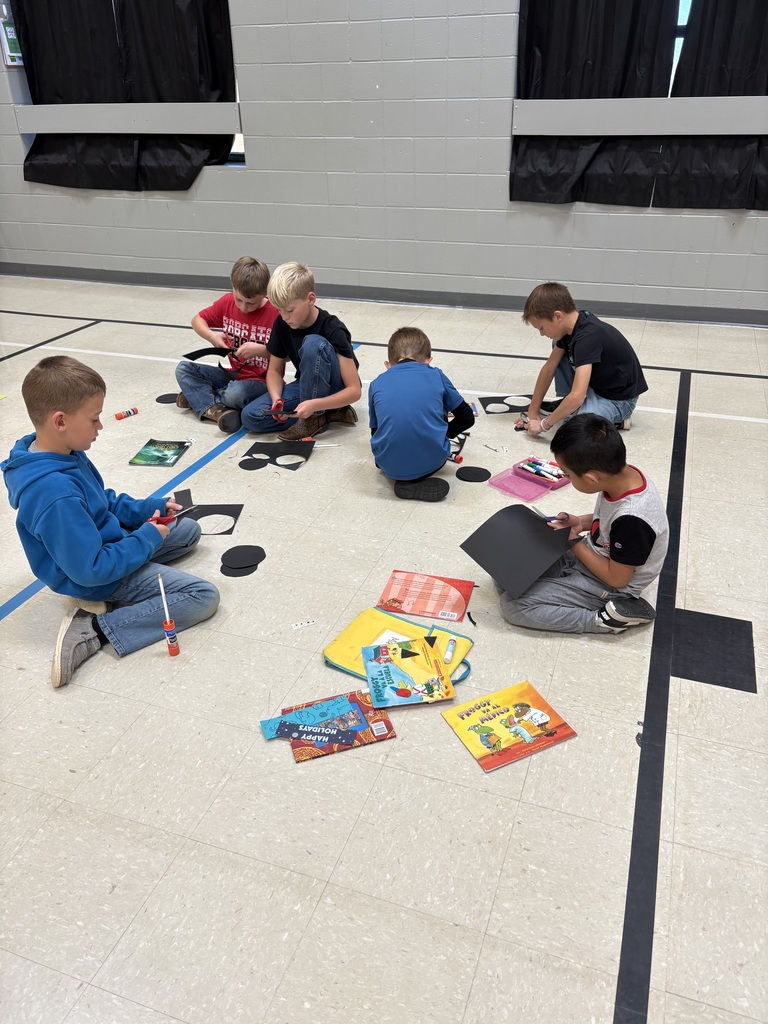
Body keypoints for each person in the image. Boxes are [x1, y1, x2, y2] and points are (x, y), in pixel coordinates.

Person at [2, 356, 220, 688]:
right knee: (202, 596)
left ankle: (118, 586)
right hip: (94, 576)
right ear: (60, 421)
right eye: (94, 419)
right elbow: (90, 569)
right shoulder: (53, 493)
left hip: (104, 546)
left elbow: (104, 502)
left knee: (187, 529)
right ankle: (95, 629)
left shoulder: (63, 451)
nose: (100, 426)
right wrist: (146, 538)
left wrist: (152, 507)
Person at [498, 413, 668, 634]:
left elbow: (618, 579)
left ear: (591, 478)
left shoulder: (633, 519)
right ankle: (561, 581)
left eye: (568, 475)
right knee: (505, 575)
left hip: (610, 585)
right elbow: (609, 522)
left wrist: (574, 542)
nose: (567, 478)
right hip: (592, 556)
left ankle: (604, 620)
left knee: (513, 607)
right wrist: (580, 522)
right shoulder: (623, 475)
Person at [239, 262, 361, 440]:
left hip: (336, 389)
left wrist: (315, 404)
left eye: (289, 310)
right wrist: (276, 400)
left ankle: (314, 417)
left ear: (310, 299)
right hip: (307, 387)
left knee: (312, 344)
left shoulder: (333, 328)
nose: (284, 316)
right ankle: (326, 415)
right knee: (250, 416)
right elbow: (273, 371)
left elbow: (354, 390)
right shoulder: (282, 323)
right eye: (279, 310)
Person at [515, 282, 647, 436]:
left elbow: (577, 397)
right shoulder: (573, 324)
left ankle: (616, 420)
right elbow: (549, 368)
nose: (542, 334)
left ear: (558, 316)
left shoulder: (587, 338)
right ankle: (570, 403)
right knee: (558, 344)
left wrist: (543, 425)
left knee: (573, 431)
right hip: (596, 385)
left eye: (541, 328)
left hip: (619, 400)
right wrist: (532, 412)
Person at [368, 327, 474, 502]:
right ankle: (415, 476)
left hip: (388, 465)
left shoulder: (376, 383)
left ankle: (401, 476)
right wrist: (442, 434)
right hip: (433, 461)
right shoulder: (436, 375)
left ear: (388, 365)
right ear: (428, 360)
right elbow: (466, 417)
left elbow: (376, 431)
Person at [175, 256, 278, 434]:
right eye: (239, 300)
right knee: (183, 369)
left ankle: (199, 400)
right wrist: (212, 337)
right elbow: (197, 320)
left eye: (251, 303)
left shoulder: (276, 313)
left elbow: (288, 355)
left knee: (235, 394)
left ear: (265, 293)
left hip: (261, 381)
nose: (244, 307)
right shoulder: (227, 302)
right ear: (232, 286)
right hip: (233, 376)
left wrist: (262, 350)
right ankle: (214, 406)